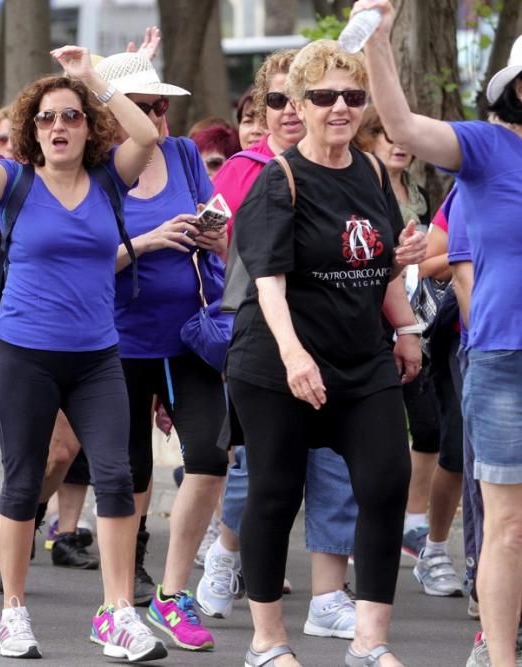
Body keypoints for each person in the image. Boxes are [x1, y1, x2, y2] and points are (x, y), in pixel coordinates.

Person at [0, 43, 167, 662]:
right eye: (46, 117)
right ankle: (14, 613)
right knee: (22, 480)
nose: (58, 127)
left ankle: (118, 613)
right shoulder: (15, 182)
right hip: (23, 352)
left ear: (87, 127)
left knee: (116, 474)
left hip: (98, 355)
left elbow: (145, 135)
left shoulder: (110, 179)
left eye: (70, 116)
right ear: (31, 128)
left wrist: (91, 79)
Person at [228, 39, 425, 667]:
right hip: (278, 362)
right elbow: (268, 283)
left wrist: (407, 326)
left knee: (387, 480)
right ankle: (267, 639)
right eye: (324, 96)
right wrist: (294, 358)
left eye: (352, 96)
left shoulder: (370, 171)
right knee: (276, 493)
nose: (339, 107)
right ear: (300, 105)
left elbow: (381, 259)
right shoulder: (279, 179)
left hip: (362, 359)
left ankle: (369, 643)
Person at [358, 2, 522, 662]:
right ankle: (501, 653)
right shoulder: (487, 148)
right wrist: (378, 40)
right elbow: (399, 124)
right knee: (508, 525)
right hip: (506, 357)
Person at [199, 50, 362, 640]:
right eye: (278, 100)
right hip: (264, 342)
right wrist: (220, 252)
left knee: (335, 466)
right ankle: (225, 552)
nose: (291, 112)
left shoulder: (348, 165)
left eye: (303, 99)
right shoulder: (246, 169)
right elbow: (209, 236)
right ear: (262, 109)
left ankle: (327, 595)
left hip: (336, 339)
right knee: (258, 471)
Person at [86, 49, 229, 653]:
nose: (158, 117)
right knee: (126, 473)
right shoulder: (96, 171)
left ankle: (173, 595)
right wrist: (144, 242)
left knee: (210, 456)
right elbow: (85, 258)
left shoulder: (184, 154)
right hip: (116, 338)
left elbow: (218, 228)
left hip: (188, 334)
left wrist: (213, 233)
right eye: (144, 107)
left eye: (160, 105)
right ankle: (116, 600)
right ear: (113, 116)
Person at [356, 105, 465, 599]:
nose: (398, 144)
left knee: (430, 432)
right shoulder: (358, 184)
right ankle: (357, 536)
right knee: (372, 442)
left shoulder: (420, 193)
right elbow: (430, 259)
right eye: (384, 135)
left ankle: (418, 529)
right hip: (365, 324)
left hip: (415, 322)